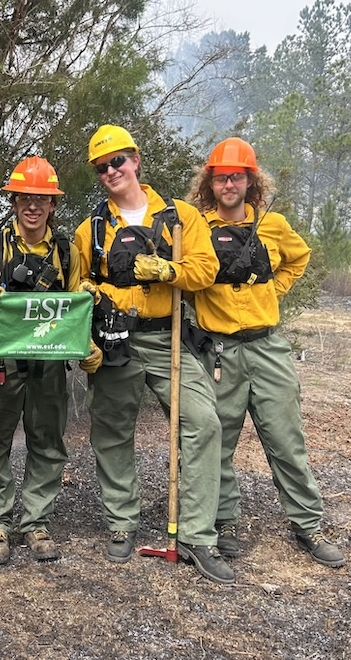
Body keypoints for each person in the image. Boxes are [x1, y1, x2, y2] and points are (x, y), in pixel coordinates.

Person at [73, 124, 234, 584]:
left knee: (203, 422)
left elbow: (207, 268)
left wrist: (169, 270)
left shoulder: (181, 217)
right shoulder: (93, 228)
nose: (111, 171)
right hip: (116, 341)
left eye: (117, 161)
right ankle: (122, 521)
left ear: (136, 160)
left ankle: (197, 536)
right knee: (111, 430)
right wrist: (91, 290)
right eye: (102, 167)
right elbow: (77, 280)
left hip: (168, 338)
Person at [186, 137, 345, 568]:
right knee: (217, 441)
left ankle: (308, 525)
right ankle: (224, 521)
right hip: (219, 351)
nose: (228, 184)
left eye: (236, 176)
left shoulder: (272, 224)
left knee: (286, 440)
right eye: (221, 178)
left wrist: (274, 289)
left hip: (268, 346)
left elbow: (300, 257)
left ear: (250, 181)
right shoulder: (197, 226)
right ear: (210, 183)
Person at [0, 156, 99, 564]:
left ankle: (37, 522)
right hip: (1, 368)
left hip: (49, 367)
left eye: (42, 199)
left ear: (53, 205)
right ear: (14, 201)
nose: (33, 206)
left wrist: (88, 346)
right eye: (25, 197)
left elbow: (78, 309)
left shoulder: (67, 253)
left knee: (47, 442)